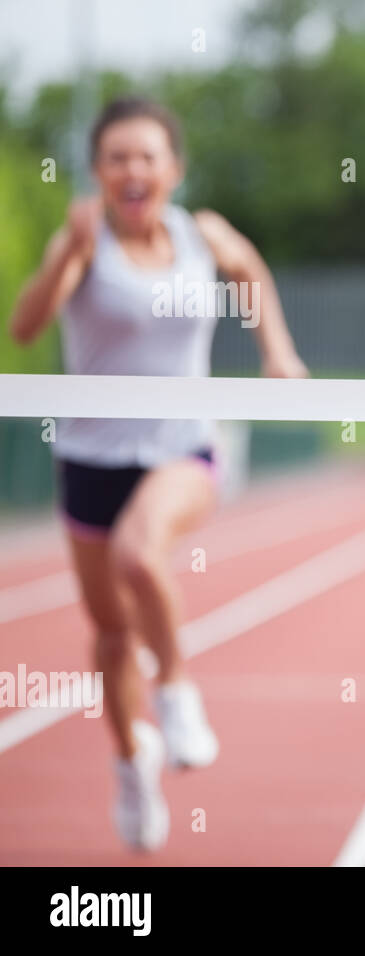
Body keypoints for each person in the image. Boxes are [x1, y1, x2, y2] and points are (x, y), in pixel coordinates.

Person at [7, 96, 309, 852]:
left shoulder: (201, 234)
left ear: (173, 168)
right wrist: (61, 255)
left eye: (147, 156)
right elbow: (25, 325)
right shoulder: (84, 241)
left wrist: (277, 351)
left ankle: (176, 692)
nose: (132, 170)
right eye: (116, 158)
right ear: (98, 173)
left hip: (184, 443)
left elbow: (251, 273)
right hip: (91, 458)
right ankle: (132, 762)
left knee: (140, 555)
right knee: (109, 635)